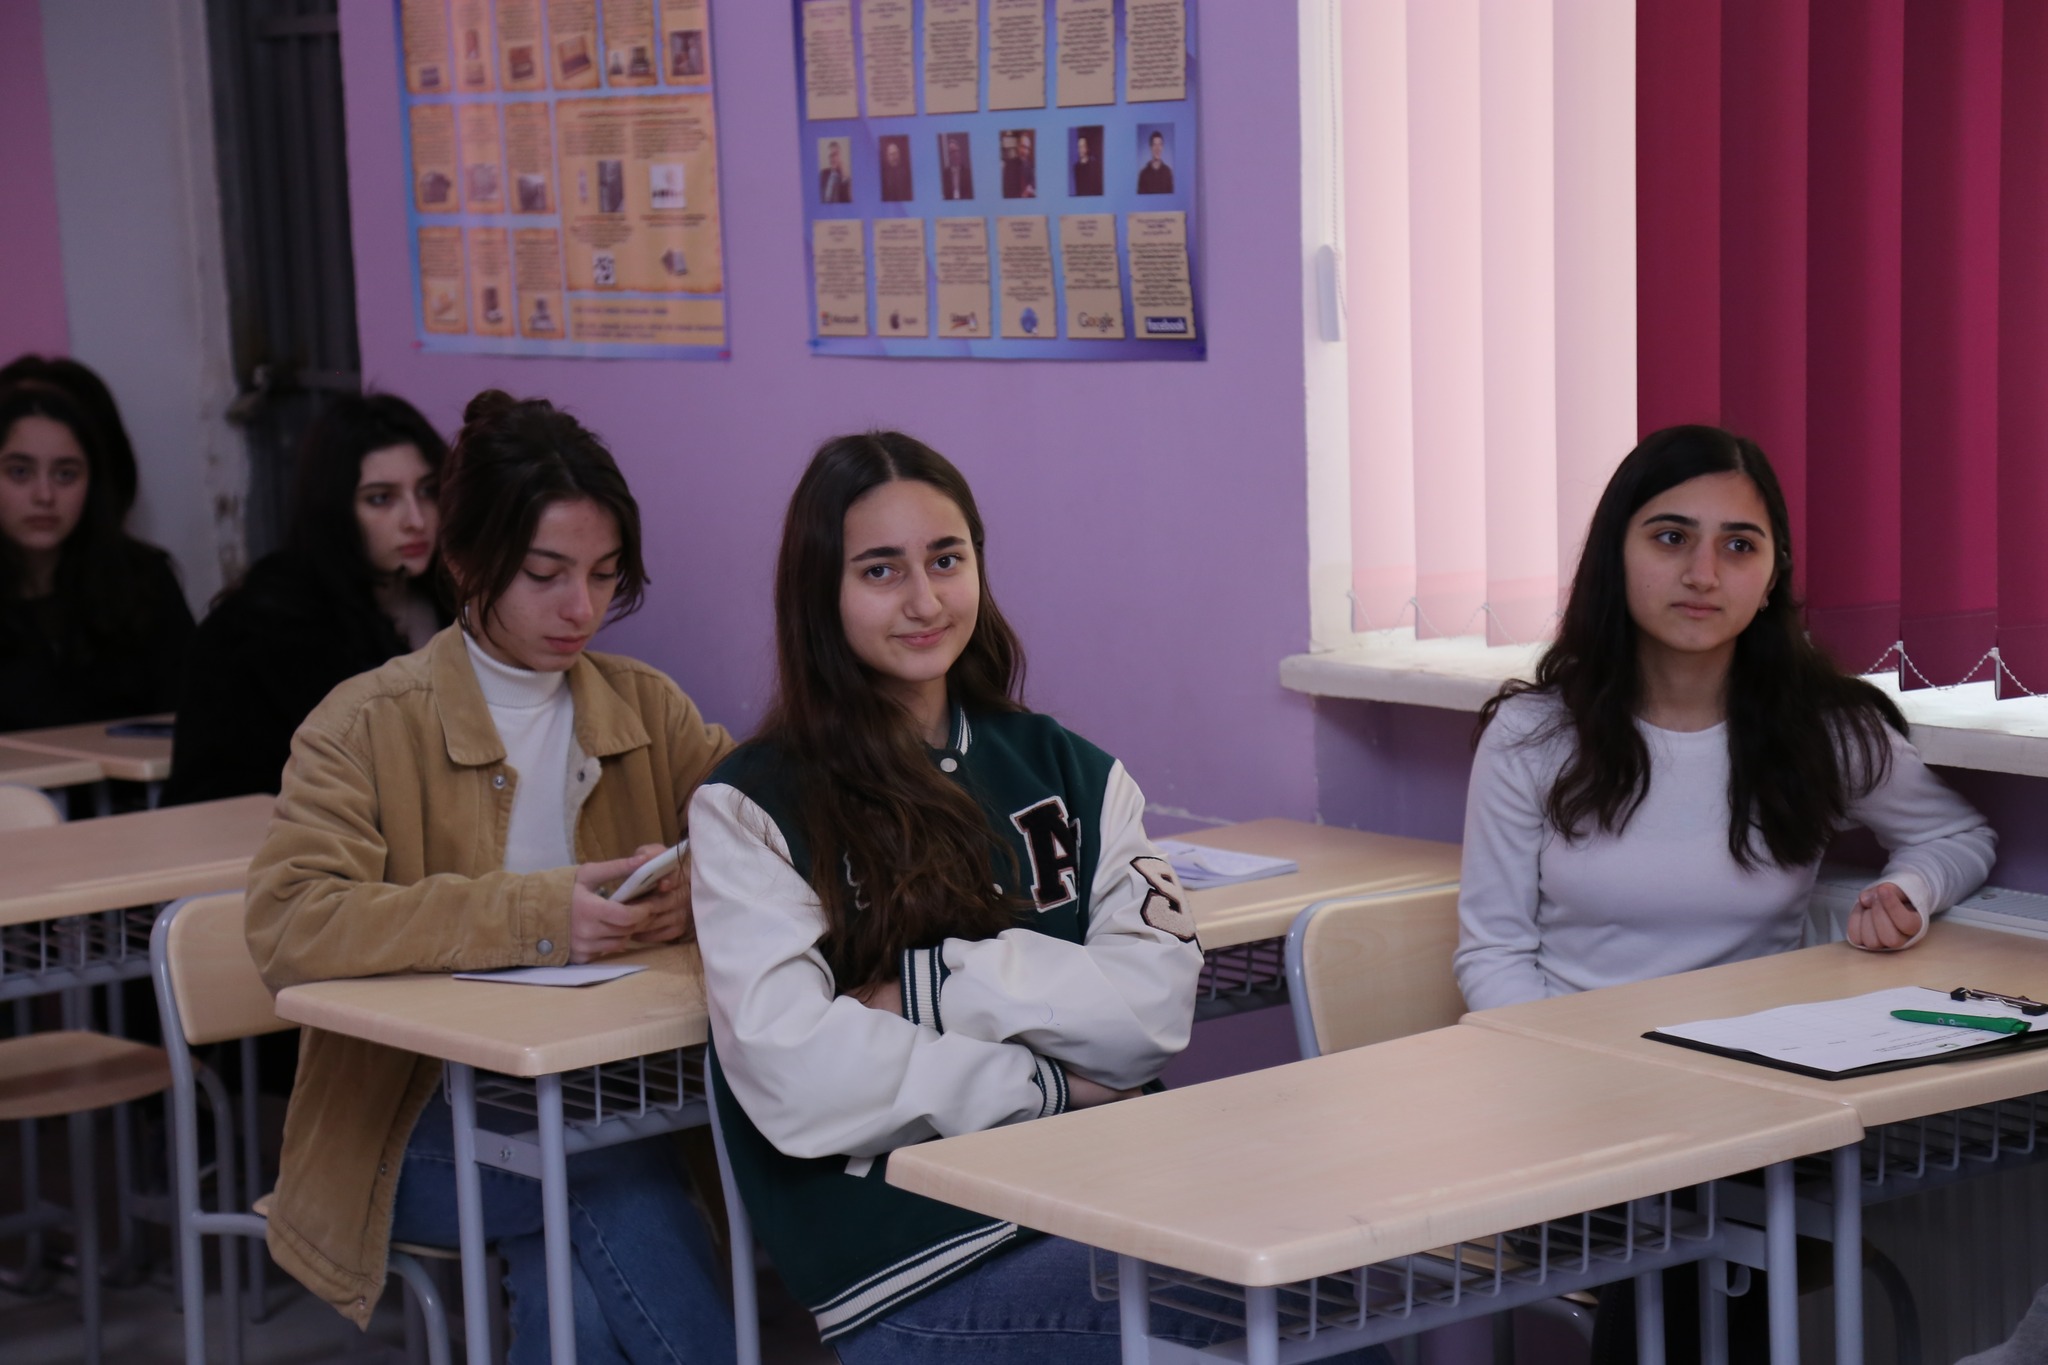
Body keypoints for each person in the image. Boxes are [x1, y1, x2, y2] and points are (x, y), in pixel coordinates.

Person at [692, 433, 1385, 1363]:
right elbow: (801, 1078)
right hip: (920, 1255)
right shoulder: (751, 805)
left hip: (1109, 1194)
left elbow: (1150, 1011)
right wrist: (1053, 1081)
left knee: (1326, 1290)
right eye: (880, 570)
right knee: (1287, 1321)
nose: (925, 600)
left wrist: (936, 990)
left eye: (947, 559)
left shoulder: (1073, 770)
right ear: (820, 591)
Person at [1455, 424, 1996, 1362]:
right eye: (1671, 537)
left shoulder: (1818, 729)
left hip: (1752, 1106)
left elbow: (1958, 835)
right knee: (1692, 1236)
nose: (1703, 572)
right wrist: (1588, 1091)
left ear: (1772, 572)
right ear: (1616, 553)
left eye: (1738, 545)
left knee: (1721, 1220)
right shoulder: (1535, 736)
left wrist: (1909, 888)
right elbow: (1493, 954)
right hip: (1570, 1112)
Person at [244, 390, 738, 1365]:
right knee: (608, 1177)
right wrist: (538, 915)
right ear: (466, 560)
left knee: (581, 1270)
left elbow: (773, 830)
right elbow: (290, 923)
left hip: (602, 1096)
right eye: (544, 574)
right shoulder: (365, 724)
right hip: (401, 1131)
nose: (580, 607)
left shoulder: (646, 709)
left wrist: (701, 888)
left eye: (604, 574)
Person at [165, 394, 453, 807]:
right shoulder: (269, 627)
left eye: (428, 491)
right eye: (380, 498)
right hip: (291, 833)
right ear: (335, 509)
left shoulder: (455, 602)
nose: (416, 519)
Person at [0, 377, 193, 734]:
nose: (44, 495)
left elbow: (190, 715)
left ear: (91, 484)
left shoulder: (143, 581)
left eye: (65, 474)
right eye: (19, 472)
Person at [939, 133, 974, 200]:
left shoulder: (968, 173)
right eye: (952, 152)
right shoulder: (945, 174)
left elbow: (970, 194)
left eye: (956, 151)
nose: (955, 154)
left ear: (959, 152)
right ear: (949, 155)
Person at [1002, 130, 1036, 199]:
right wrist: (1021, 196)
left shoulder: (1029, 165)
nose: (1025, 151)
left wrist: (1030, 188)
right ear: (1018, 146)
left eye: (1027, 148)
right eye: (1022, 146)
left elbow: (1033, 183)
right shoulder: (1009, 165)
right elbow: (1005, 191)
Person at [879, 136, 913, 202]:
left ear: (899, 155)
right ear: (887, 157)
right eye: (891, 154)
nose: (894, 157)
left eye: (895, 153)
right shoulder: (883, 175)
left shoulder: (906, 172)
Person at [1072, 129, 1103, 196]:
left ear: (1087, 148)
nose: (1080, 149)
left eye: (1083, 146)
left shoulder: (1095, 165)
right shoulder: (1076, 167)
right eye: (1079, 147)